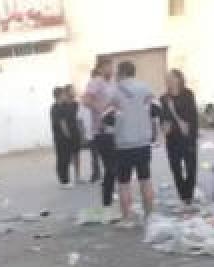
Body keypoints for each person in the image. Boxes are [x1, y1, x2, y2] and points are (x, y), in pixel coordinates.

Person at [110, 60, 158, 225]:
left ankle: (127, 218)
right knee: (145, 179)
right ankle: (149, 215)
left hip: (123, 143)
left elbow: (106, 116)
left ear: (121, 72)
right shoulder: (145, 88)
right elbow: (156, 111)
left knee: (124, 183)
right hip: (143, 141)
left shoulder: (115, 90)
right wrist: (153, 132)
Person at [83, 59, 120, 212]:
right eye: (109, 66)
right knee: (111, 168)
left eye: (112, 67)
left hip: (115, 130)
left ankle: (109, 198)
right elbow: (85, 100)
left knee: (114, 167)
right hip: (102, 131)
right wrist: (100, 110)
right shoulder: (96, 82)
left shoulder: (112, 84)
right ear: (101, 68)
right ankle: (107, 202)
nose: (112, 69)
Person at [159, 69, 199, 208]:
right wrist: (164, 126)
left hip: (187, 138)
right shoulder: (164, 98)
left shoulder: (188, 94)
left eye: (170, 78)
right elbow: (163, 117)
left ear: (178, 79)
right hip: (172, 139)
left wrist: (191, 134)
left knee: (191, 168)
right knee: (175, 168)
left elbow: (192, 116)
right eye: (166, 79)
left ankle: (189, 195)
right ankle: (183, 196)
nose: (168, 81)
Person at [50, 86, 76, 189]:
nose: (66, 95)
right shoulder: (56, 108)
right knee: (62, 158)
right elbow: (62, 123)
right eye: (64, 94)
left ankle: (66, 179)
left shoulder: (64, 105)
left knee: (66, 158)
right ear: (59, 95)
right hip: (61, 138)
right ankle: (64, 181)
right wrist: (68, 135)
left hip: (66, 137)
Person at [62, 85, 87, 184]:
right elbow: (62, 120)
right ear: (68, 92)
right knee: (67, 156)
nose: (74, 92)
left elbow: (79, 119)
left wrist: (82, 132)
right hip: (66, 133)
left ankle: (78, 176)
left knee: (77, 155)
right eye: (72, 91)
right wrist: (66, 133)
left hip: (75, 132)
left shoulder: (76, 104)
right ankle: (66, 178)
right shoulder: (62, 105)